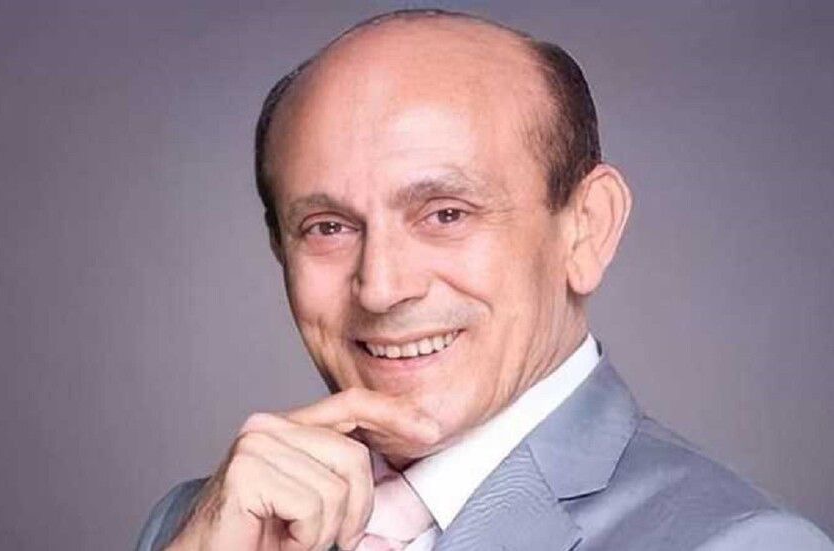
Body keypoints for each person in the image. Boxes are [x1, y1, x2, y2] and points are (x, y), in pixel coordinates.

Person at [136, 9, 833, 551]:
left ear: (587, 228)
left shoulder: (739, 543)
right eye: (328, 227)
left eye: (446, 213)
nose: (381, 288)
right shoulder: (199, 522)